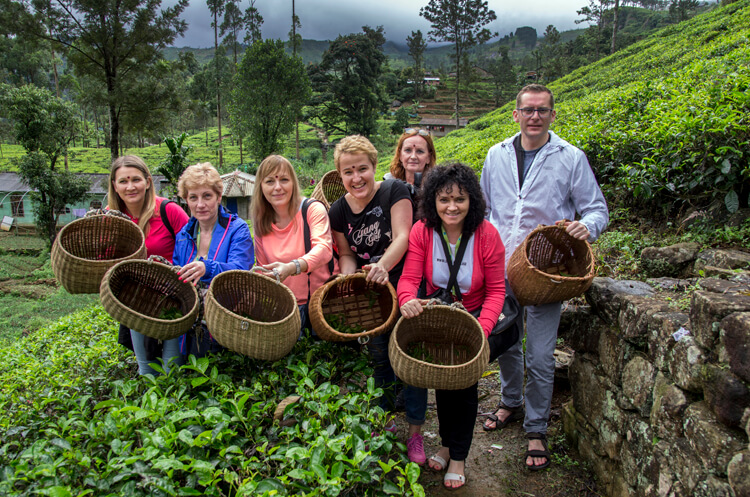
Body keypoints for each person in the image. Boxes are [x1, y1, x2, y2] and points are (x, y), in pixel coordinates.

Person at [480, 84, 609, 471]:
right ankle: (510, 402)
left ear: (553, 115)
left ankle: (536, 428)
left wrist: (586, 227)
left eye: (542, 110)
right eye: (528, 110)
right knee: (506, 343)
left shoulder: (570, 157)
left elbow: (597, 209)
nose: (534, 116)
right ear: (515, 115)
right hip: (502, 267)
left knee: (539, 353)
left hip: (546, 273)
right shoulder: (496, 155)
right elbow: (486, 211)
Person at [398, 163, 506, 489]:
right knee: (443, 383)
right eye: (444, 199)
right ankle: (446, 444)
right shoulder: (422, 231)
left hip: (474, 320)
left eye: (460, 199)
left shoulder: (487, 235)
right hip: (442, 318)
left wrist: (481, 332)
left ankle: (458, 456)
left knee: (465, 387)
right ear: (433, 201)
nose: (452, 207)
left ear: (471, 200)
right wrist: (406, 299)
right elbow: (410, 278)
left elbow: (497, 291)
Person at [328, 135, 413, 430]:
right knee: (378, 353)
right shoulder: (338, 210)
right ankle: (386, 417)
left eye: (362, 169)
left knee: (406, 346)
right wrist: (347, 275)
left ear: (374, 166)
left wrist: (382, 265)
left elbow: (403, 236)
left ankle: (413, 413)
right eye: (348, 172)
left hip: (403, 280)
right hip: (371, 289)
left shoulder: (394, 190)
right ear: (340, 176)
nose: (356, 177)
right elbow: (347, 253)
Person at [108, 155, 189, 376]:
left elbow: (192, 248)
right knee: (146, 368)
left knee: (172, 367)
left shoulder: (168, 211)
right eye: (123, 181)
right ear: (114, 186)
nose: (130, 186)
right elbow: (105, 257)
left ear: (148, 181)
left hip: (173, 298)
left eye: (136, 179)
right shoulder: (112, 217)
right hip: (137, 302)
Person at [172, 163, 254, 357]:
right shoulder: (184, 235)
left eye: (207, 196)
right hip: (189, 326)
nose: (200, 204)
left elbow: (240, 271)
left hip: (224, 323)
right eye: (193, 197)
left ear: (218, 197)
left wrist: (207, 267)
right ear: (186, 201)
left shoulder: (237, 229)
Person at [251, 155, 334, 335]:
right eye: (270, 181)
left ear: (293, 184)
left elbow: (324, 249)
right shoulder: (260, 223)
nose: (278, 187)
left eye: (284, 180)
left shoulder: (311, 210)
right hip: (287, 309)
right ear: (261, 187)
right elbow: (263, 270)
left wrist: (292, 267)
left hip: (322, 304)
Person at [384, 127, 437, 196]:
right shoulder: (388, 186)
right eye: (408, 150)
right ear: (400, 155)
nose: (413, 156)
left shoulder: (437, 188)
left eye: (419, 151)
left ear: (429, 157)